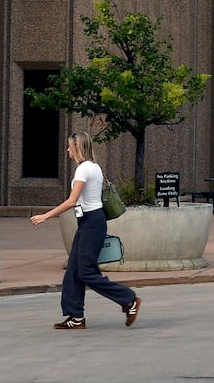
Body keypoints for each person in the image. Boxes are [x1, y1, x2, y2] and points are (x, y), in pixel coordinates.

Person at [31, 131, 141, 329]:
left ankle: (129, 299)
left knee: (86, 272)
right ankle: (76, 317)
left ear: (77, 147)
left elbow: (72, 201)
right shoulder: (94, 167)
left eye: (69, 147)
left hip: (92, 223)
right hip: (90, 222)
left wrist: (45, 216)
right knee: (73, 270)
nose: (67, 150)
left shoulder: (83, 169)